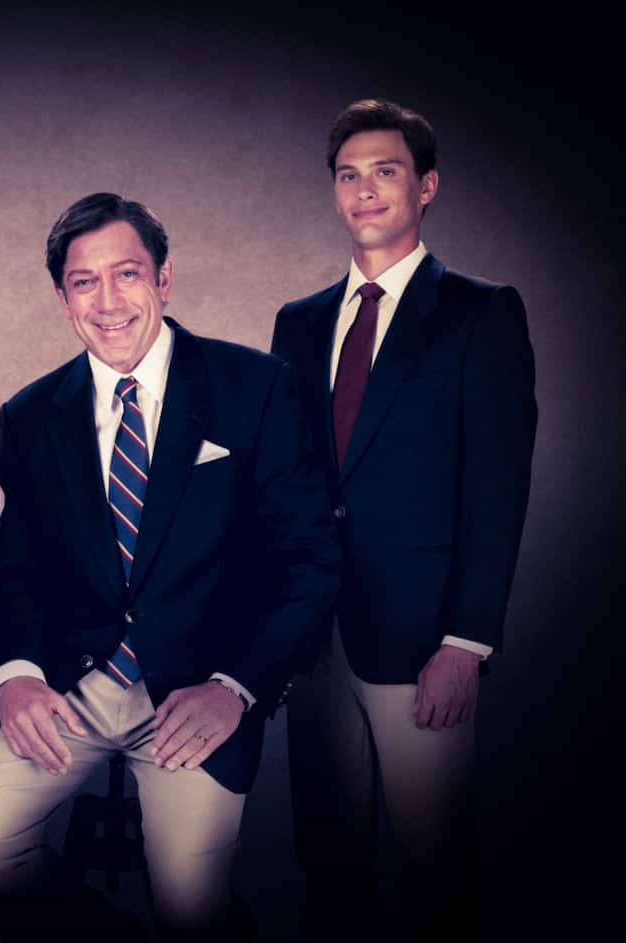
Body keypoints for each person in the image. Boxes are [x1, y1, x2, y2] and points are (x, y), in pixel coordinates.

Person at [0, 192, 340, 938]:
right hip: (65, 683)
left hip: (196, 691)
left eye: (128, 274)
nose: (109, 300)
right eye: (85, 282)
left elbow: (308, 559)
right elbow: (17, 566)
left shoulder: (255, 387)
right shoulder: (31, 414)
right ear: (63, 298)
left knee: (190, 903)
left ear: (165, 279)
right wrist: (14, 672)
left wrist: (236, 687)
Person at [270, 99, 537, 941]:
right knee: (328, 864)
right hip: (315, 643)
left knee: (435, 870)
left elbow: (499, 487)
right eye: (348, 176)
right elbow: (287, 483)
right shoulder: (300, 323)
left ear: (427, 186)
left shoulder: (479, 314)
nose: (364, 191)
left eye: (385, 172)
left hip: (423, 642)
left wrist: (467, 643)